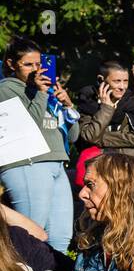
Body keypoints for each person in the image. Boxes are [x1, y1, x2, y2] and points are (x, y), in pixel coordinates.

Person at [0, 37, 78, 252]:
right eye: (28, 65)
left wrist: (67, 105)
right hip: (28, 163)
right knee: (31, 234)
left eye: (38, 65)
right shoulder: (7, 88)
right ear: (11, 64)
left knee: (61, 239)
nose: (35, 70)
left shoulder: (44, 91)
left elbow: (72, 136)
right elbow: (30, 125)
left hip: (56, 163)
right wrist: (41, 93)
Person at [75, 59, 134, 162]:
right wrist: (106, 109)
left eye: (125, 81)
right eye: (117, 81)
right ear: (101, 80)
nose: (122, 87)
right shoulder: (88, 103)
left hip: (130, 166)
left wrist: (100, 140)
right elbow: (89, 136)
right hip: (98, 167)